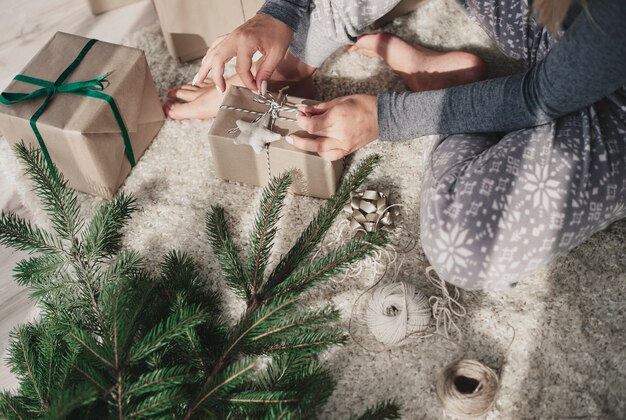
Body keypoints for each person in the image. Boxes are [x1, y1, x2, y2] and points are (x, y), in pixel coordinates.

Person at [164, 0, 626, 291]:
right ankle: (289, 68)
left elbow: (537, 96)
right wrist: (277, 14)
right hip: (565, 29)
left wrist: (384, 117)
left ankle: (450, 89)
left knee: (465, 246)